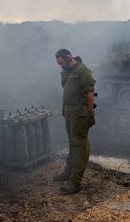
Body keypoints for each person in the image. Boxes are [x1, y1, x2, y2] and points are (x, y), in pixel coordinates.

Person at [54, 48, 96, 194]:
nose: (60, 66)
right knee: (72, 143)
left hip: (79, 114)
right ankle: (68, 172)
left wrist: (90, 114)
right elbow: (65, 86)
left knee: (79, 146)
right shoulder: (69, 71)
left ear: (69, 58)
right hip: (70, 113)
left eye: (61, 63)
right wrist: (64, 72)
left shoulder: (83, 71)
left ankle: (75, 182)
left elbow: (90, 94)